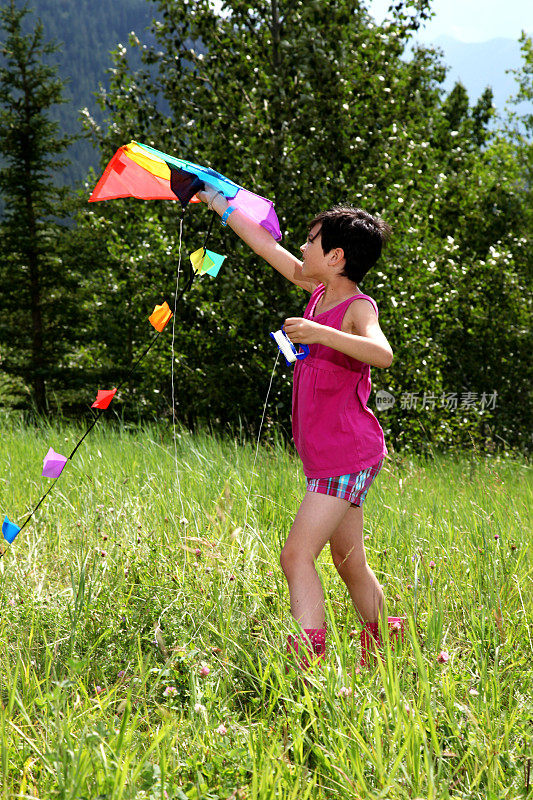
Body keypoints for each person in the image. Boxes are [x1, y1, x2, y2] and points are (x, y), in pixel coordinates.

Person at [197, 186, 399, 668]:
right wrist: (221, 207)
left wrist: (321, 333)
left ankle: (308, 664)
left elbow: (383, 354)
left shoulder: (355, 309)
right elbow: (269, 247)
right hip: (329, 455)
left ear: (335, 256)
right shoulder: (317, 290)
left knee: (295, 557)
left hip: (347, 454)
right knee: (349, 562)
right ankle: (388, 647)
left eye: (310, 241)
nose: (301, 248)